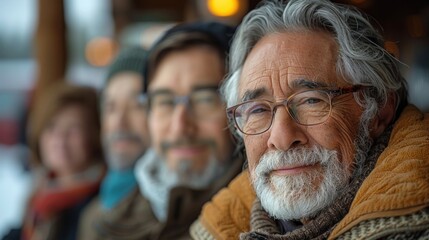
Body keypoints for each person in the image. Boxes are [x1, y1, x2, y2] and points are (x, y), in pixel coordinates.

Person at [191, 0, 429, 239]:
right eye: (257, 110)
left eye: (311, 100)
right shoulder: (217, 226)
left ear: (379, 111)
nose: (282, 138)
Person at [131, 21, 244, 239]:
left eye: (203, 100)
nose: (180, 127)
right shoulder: (103, 221)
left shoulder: (270, 224)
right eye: (164, 102)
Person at [12, 82, 105, 240]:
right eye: (51, 127)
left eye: (73, 129)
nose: (60, 139)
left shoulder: (103, 200)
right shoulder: (41, 189)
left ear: (94, 135)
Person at [78, 46, 151, 239]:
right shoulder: (92, 214)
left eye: (138, 105)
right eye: (110, 107)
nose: (119, 123)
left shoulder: (170, 212)